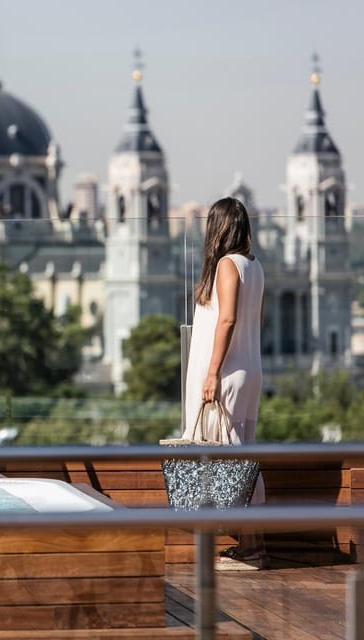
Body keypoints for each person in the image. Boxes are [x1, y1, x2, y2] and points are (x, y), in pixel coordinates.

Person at [184, 196, 266, 569]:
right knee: (243, 456)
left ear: (216, 229)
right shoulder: (255, 266)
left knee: (233, 461)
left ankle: (251, 547)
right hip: (248, 369)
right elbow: (254, 321)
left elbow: (228, 319)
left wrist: (212, 372)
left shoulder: (227, 265)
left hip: (228, 374)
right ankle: (254, 543)